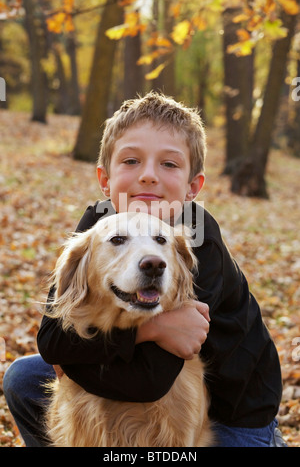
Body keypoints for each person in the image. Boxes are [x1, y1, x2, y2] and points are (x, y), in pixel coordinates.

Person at [3, 92, 287, 447]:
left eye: (169, 165)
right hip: (141, 372)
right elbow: (51, 340)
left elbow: (150, 384)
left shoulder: (198, 242)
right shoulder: (97, 226)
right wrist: (148, 331)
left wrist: (70, 362)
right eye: (132, 161)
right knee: (24, 378)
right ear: (105, 180)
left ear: (192, 187)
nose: (149, 176)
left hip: (233, 420)